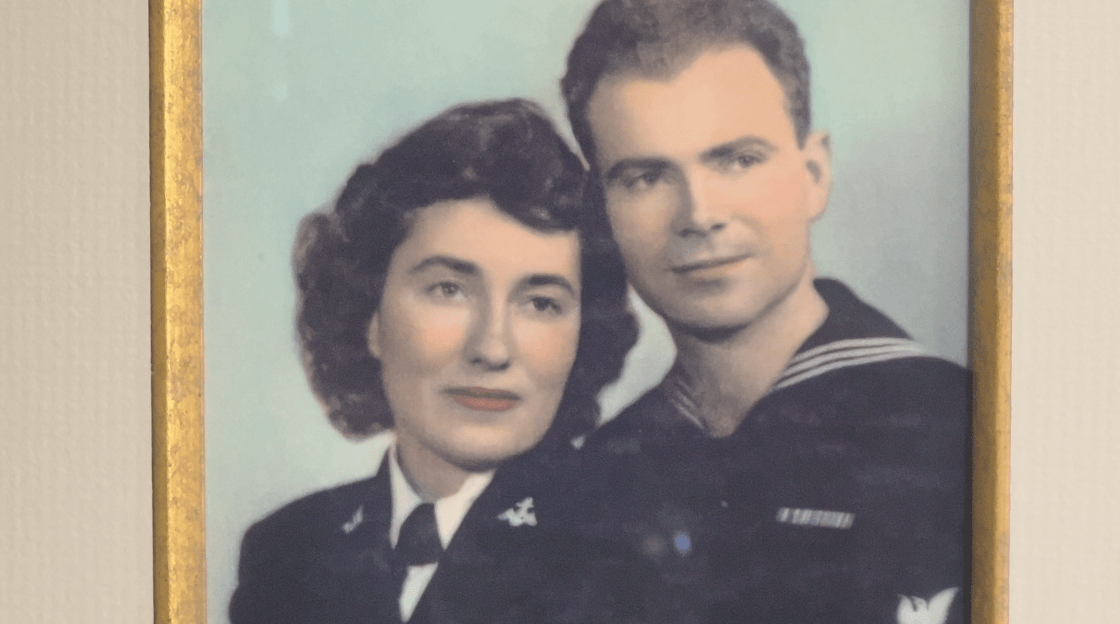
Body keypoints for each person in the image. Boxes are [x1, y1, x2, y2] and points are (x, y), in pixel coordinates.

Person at [561, 1, 970, 623]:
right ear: (602, 212)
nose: (699, 214)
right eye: (646, 177)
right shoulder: (600, 477)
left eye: (738, 160)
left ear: (813, 173)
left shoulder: (957, 427)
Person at [228, 99, 666, 624]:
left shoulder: (627, 561)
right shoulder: (288, 552)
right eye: (449, 289)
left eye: (541, 303)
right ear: (370, 316)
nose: (492, 348)